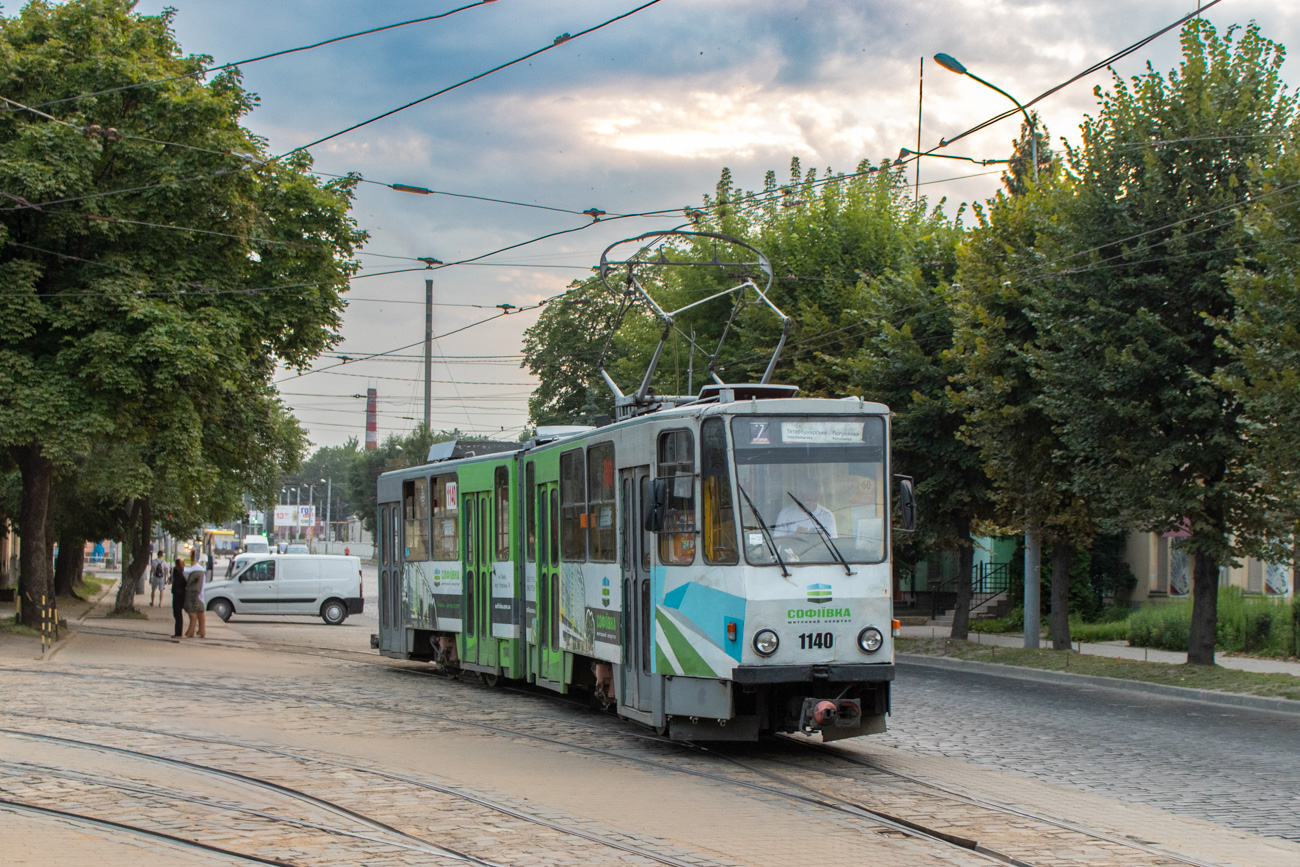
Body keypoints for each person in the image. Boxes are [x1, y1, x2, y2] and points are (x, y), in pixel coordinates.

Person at [774, 482, 838, 537]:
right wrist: (794, 536)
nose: (811, 504)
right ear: (800, 496)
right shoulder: (786, 514)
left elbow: (834, 543)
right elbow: (776, 542)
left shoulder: (827, 515)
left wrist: (823, 539)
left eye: (815, 500)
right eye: (808, 500)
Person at [183, 564, 206, 638]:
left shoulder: (196, 573)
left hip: (195, 595)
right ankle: (201, 630)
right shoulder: (201, 573)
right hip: (199, 595)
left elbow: (189, 581)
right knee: (200, 611)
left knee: (192, 613)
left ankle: (191, 631)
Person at [170, 558, 187, 641]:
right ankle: (178, 632)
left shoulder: (178, 575)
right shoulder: (180, 574)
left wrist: (175, 591)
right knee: (177, 615)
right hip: (180, 596)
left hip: (178, 596)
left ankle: (179, 633)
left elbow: (177, 586)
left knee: (178, 615)